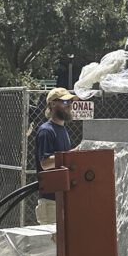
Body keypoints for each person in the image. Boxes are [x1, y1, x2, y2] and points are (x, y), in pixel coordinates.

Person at [33, 88, 77, 223]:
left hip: (62, 198)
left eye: (70, 101)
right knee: (53, 244)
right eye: (65, 101)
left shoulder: (62, 130)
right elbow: (45, 164)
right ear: (52, 104)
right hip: (50, 201)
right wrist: (71, 154)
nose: (69, 105)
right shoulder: (46, 131)